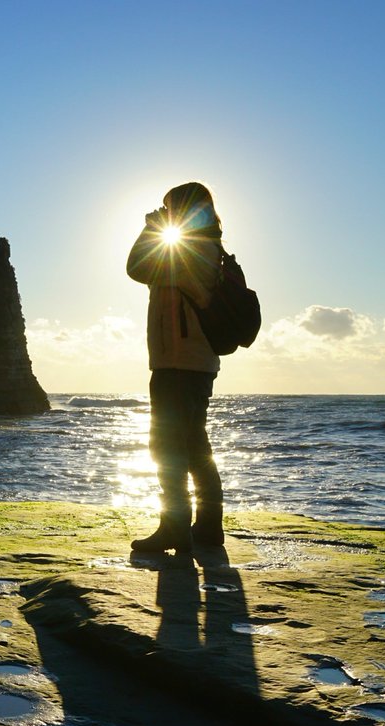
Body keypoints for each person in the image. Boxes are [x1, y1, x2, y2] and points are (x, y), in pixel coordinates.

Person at [126, 182, 225, 552]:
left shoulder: (190, 247)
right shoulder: (208, 246)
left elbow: (136, 266)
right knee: (195, 445)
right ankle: (209, 529)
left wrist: (152, 228)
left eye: (168, 207)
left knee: (167, 446)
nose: (163, 212)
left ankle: (176, 528)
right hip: (193, 361)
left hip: (179, 361)